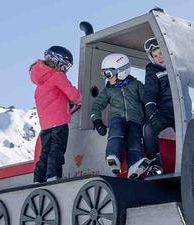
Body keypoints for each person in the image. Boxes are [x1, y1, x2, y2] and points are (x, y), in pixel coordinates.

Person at [90, 53, 150, 179]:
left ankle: (135, 166)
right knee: (116, 132)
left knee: (135, 141)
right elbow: (97, 106)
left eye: (109, 74)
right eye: (104, 74)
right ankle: (113, 156)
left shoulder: (137, 85)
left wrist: (150, 116)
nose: (107, 78)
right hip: (118, 118)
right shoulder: (109, 90)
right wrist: (97, 121)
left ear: (122, 71)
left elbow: (147, 100)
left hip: (136, 121)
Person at [29, 46, 81, 183]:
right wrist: (79, 100)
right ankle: (53, 175)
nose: (65, 69)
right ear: (57, 62)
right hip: (59, 121)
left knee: (45, 151)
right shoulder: (58, 76)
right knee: (57, 149)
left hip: (45, 125)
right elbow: (71, 93)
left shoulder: (40, 82)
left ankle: (38, 178)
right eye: (65, 65)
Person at [142, 38, 173, 175]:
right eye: (155, 56)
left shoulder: (179, 68)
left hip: (182, 112)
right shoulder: (153, 73)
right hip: (165, 113)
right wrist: (152, 114)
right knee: (148, 128)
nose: (159, 58)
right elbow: (149, 94)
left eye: (161, 53)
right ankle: (155, 163)